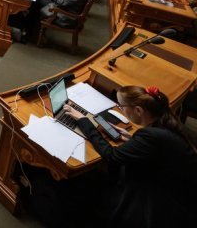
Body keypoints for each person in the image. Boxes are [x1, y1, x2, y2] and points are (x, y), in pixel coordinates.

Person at [62, 85, 197, 227]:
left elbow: (111, 155)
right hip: (181, 189)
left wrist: (84, 121)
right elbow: (158, 148)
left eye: (121, 106)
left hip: (162, 202)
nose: (121, 109)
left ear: (138, 110)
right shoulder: (168, 123)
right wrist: (135, 141)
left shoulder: (150, 136)